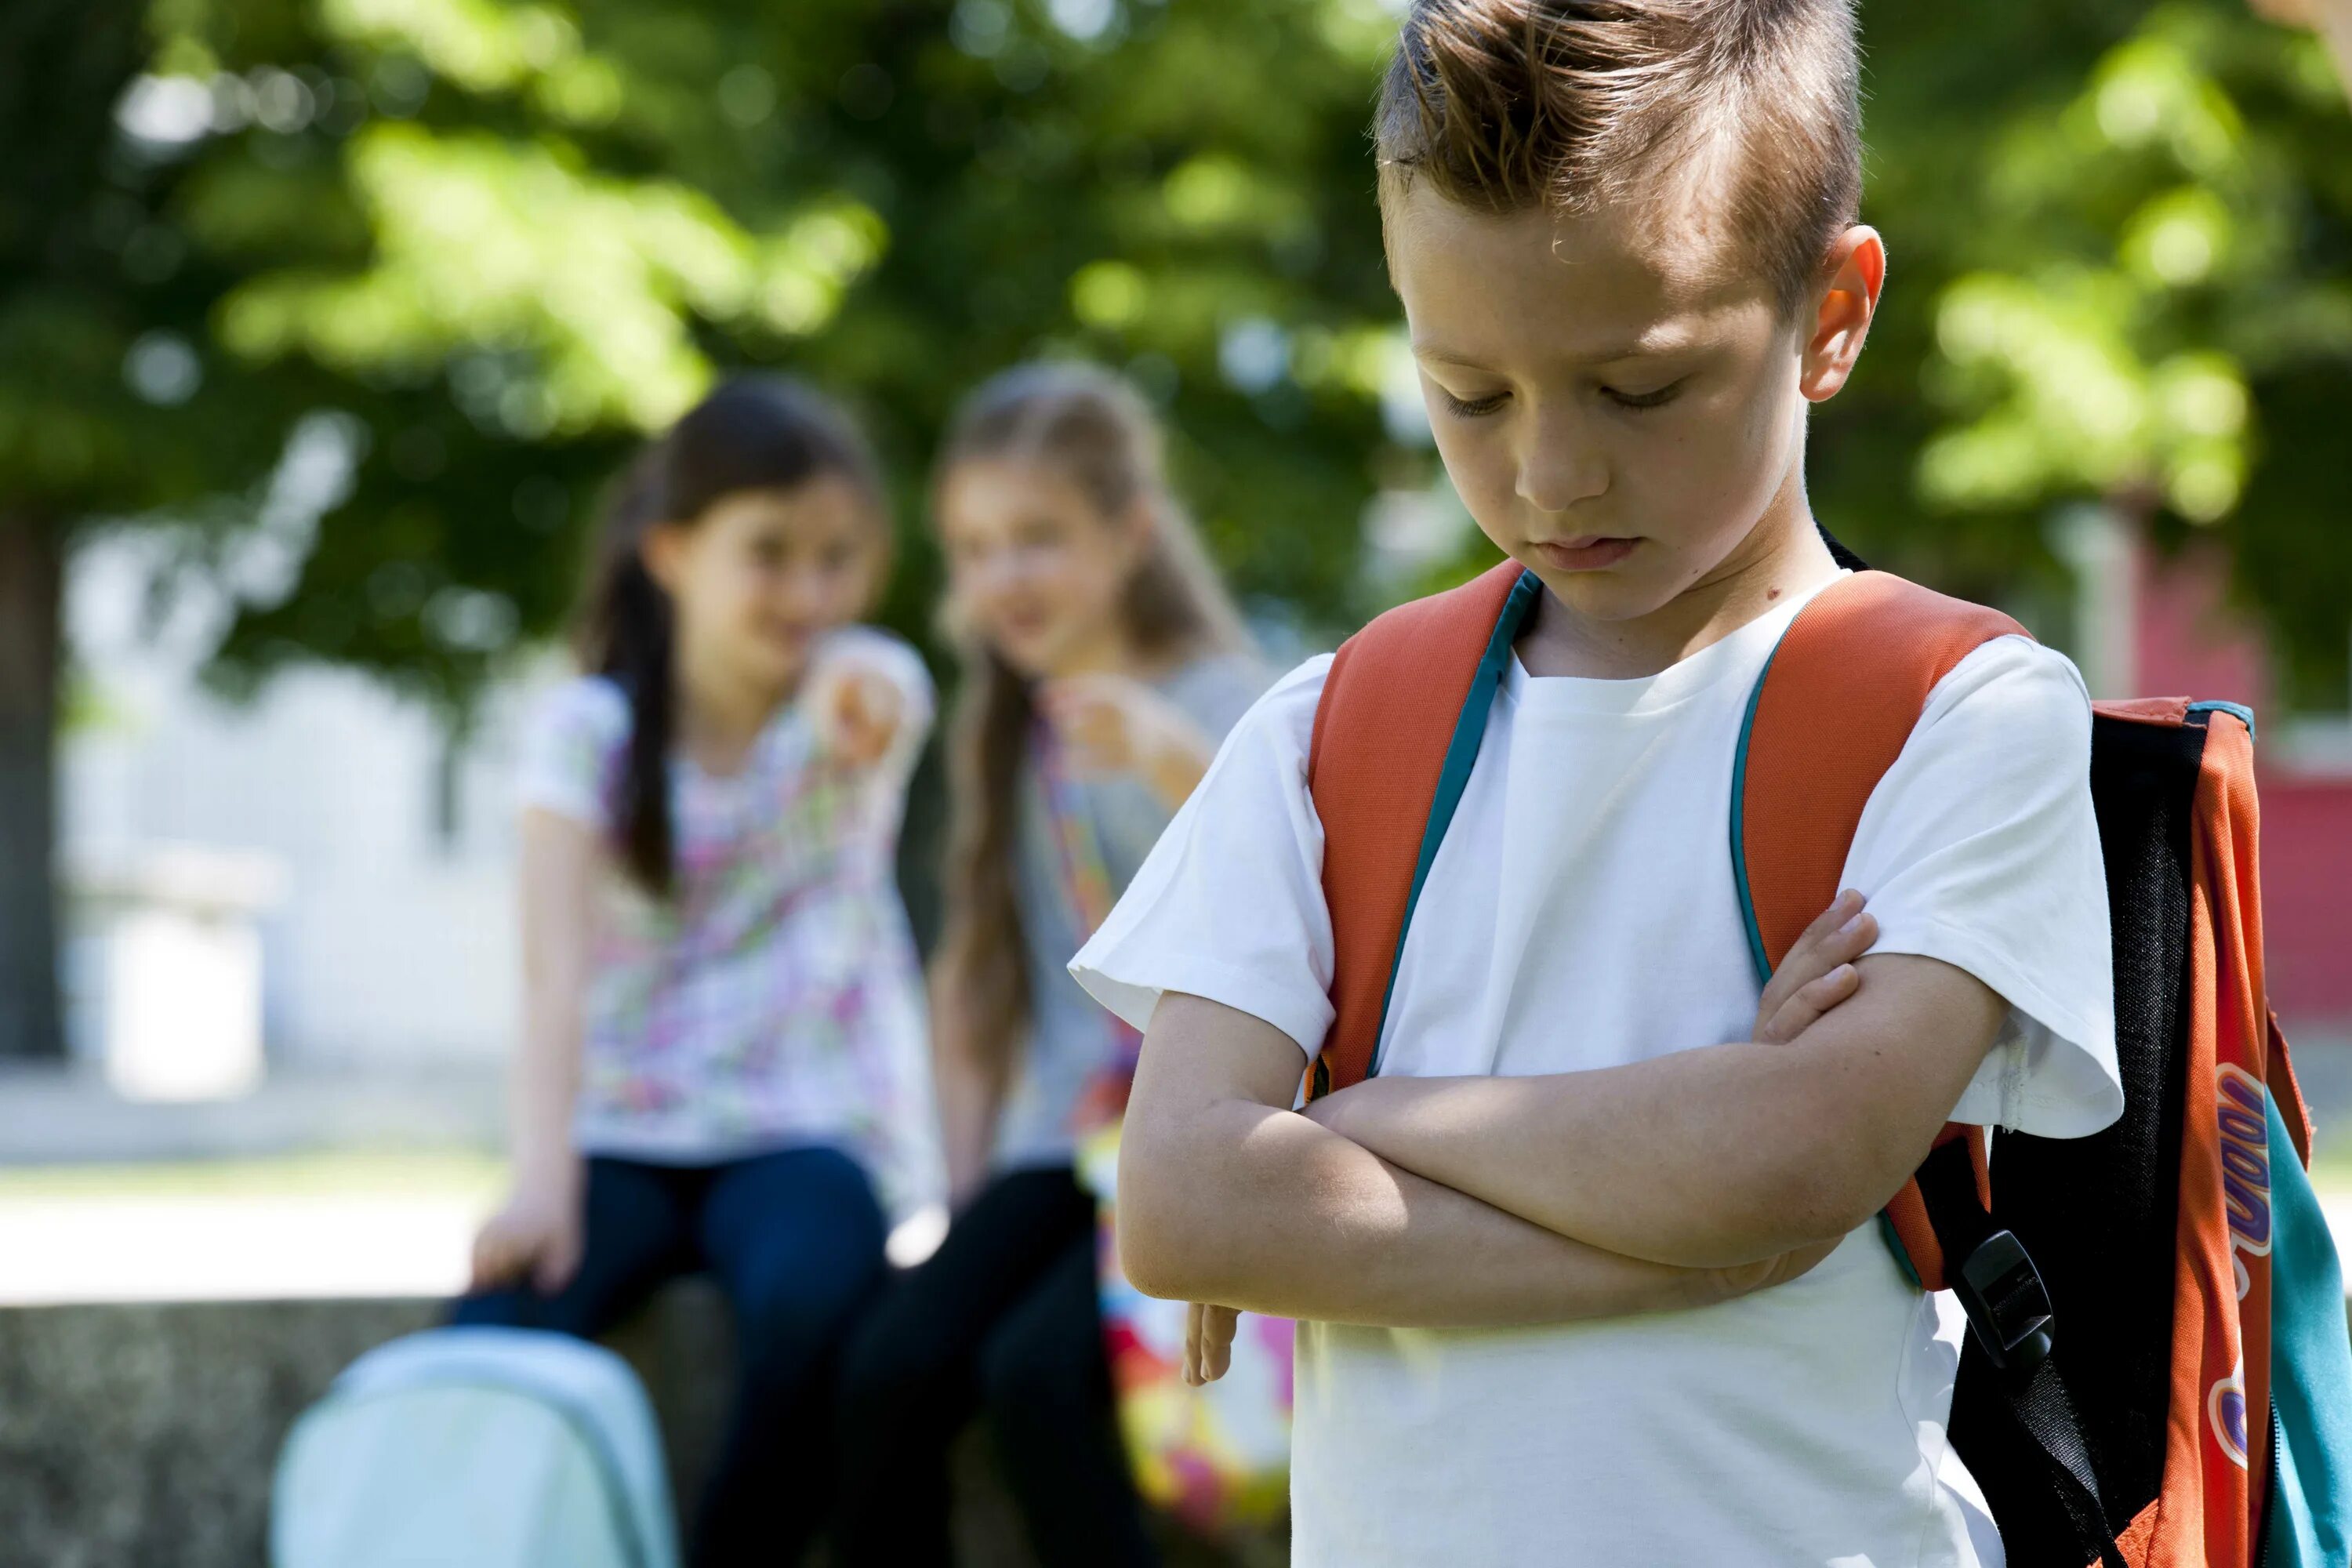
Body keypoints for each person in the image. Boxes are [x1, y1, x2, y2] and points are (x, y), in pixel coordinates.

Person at [1073, 4, 2122, 1565]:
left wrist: (1358, 1114)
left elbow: (1794, 1161)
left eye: (1638, 389)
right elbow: (1184, 1205)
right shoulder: (1333, 724)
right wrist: (1679, 1220)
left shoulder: (1961, 709)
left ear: (1832, 314)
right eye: (1468, 393)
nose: (1550, 474)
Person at [456, 376, 939, 1568]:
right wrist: (538, 1180)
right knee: (490, 1333)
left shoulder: (856, 696)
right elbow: (550, 977)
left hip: (800, 1129)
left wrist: (854, 689)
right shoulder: (589, 733)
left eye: (837, 557)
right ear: (671, 551)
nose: (807, 591)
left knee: (816, 1302)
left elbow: (872, 686)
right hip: (623, 1130)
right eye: (767, 554)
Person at [833, 362, 1268, 1568]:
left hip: (1192, 1135)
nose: (1000, 578)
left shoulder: (1236, 703)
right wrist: (961, 1212)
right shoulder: (1012, 729)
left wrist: (1178, 763)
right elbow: (980, 981)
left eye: (1036, 539)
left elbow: (1309, 917)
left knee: (1037, 1382)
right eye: (974, 549)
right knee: (891, 1363)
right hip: (1059, 1145)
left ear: (1128, 534)